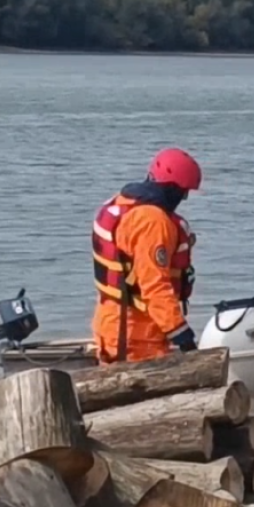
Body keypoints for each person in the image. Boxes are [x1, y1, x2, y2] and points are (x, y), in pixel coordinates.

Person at [90, 147, 202, 363]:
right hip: (137, 337)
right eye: (184, 192)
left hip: (110, 324)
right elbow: (155, 287)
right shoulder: (152, 222)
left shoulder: (121, 203)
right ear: (172, 188)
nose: (184, 198)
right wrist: (183, 336)